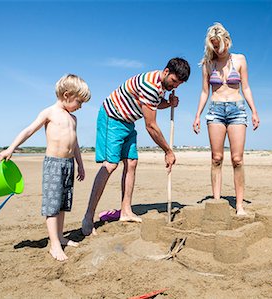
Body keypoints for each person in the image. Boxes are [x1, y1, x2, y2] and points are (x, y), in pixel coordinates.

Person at [81, 57, 190, 236]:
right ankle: (88, 216)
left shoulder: (160, 85)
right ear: (166, 72)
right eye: (174, 81)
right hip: (112, 117)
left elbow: (153, 104)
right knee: (110, 165)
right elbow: (150, 125)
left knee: (131, 162)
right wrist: (168, 151)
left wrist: (168, 103)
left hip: (128, 121)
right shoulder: (150, 85)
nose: (175, 86)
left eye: (179, 84)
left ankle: (125, 211)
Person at [0, 74, 91, 261]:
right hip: (54, 164)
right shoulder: (49, 112)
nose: (80, 106)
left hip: (68, 164)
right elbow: (29, 130)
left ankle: (61, 237)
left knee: (64, 203)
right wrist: (11, 148)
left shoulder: (73, 118)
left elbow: (75, 144)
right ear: (67, 95)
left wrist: (80, 164)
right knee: (52, 204)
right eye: (79, 102)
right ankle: (54, 244)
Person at [192, 22, 260, 216]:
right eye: (213, 45)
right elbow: (205, 91)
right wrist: (197, 115)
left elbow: (245, 87)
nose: (216, 49)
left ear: (227, 41)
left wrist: (254, 111)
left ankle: (239, 206)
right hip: (215, 111)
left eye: (219, 44)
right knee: (216, 158)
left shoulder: (240, 60)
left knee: (237, 159)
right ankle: (216, 203)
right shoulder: (207, 63)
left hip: (237, 110)